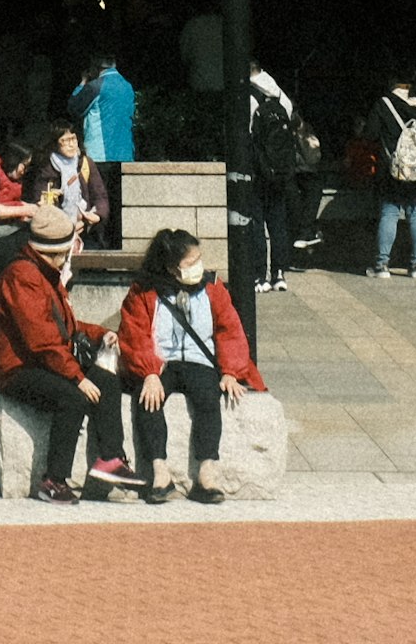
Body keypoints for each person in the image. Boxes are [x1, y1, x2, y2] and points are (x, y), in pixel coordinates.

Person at [0, 203, 131, 501]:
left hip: (39, 360)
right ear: (51, 252)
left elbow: (65, 327)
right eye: (66, 252)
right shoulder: (22, 276)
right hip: (15, 368)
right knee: (72, 398)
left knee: (107, 380)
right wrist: (77, 378)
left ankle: (111, 459)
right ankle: (53, 480)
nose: (69, 258)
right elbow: (42, 339)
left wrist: (101, 334)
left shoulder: (44, 273)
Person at [116, 226, 264, 503]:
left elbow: (229, 329)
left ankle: (207, 472)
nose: (198, 267)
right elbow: (134, 333)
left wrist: (231, 371)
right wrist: (148, 372)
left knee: (209, 398)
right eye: (190, 263)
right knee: (148, 400)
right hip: (162, 363)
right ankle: (159, 471)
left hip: (199, 360)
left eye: (198, 260)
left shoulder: (212, 287)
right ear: (171, 268)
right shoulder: (144, 292)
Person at [247, 63, 317, 286]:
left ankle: (260, 275)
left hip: (257, 168)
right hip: (281, 169)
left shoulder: (247, 96)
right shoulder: (279, 95)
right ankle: (279, 273)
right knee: (277, 221)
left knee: (257, 222)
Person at [369, 71, 416, 278]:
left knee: (390, 213)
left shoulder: (384, 104)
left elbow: (370, 133)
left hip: (392, 169)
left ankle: (382, 265)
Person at [71, 51, 138, 248]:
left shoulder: (95, 86)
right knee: (118, 203)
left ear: (95, 67)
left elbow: (74, 107)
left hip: (100, 153)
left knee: (99, 200)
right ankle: (117, 244)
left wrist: (82, 82)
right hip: (125, 153)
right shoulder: (128, 86)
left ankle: (100, 243)